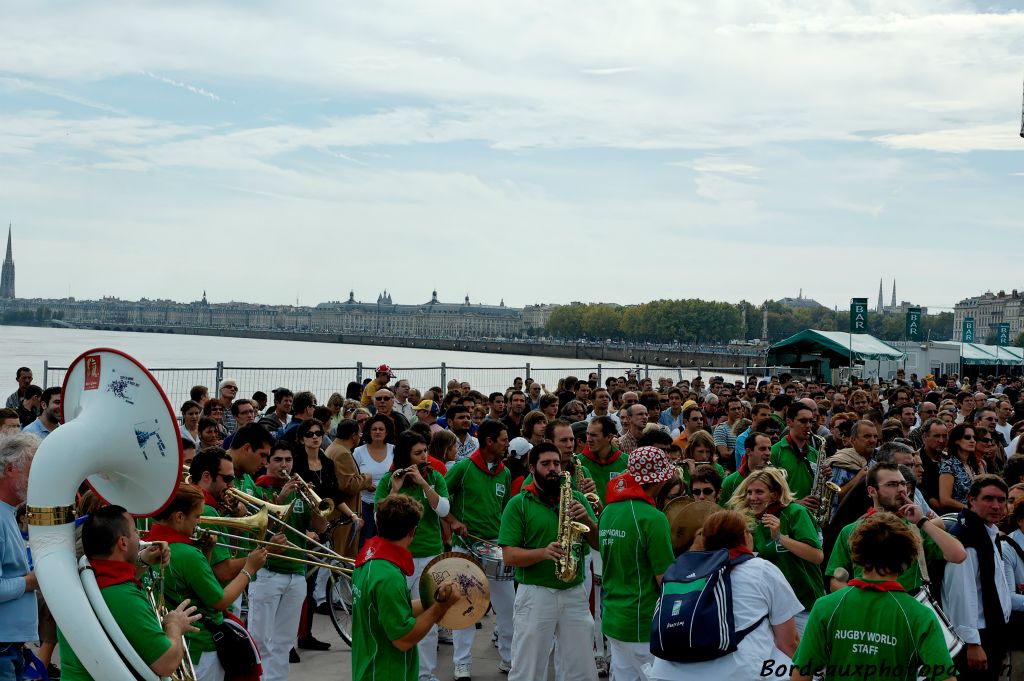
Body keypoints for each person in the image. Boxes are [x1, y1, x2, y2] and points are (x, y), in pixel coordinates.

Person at [790, 512, 957, 681]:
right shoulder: (920, 615)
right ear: (908, 556)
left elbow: (801, 674)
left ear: (856, 551)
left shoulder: (825, 606)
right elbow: (945, 678)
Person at [646, 510, 802, 680]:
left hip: (668, 672)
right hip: (738, 672)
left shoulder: (680, 570)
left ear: (704, 540)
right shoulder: (762, 569)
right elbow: (788, 642)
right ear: (745, 537)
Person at [57, 506, 202, 680]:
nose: (140, 535)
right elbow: (166, 663)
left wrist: (143, 560)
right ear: (123, 543)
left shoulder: (81, 582)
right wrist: (174, 625)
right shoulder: (123, 596)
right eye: (135, 531)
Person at [498, 442, 599, 681]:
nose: (553, 468)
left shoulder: (577, 498)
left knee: (582, 668)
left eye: (556, 463)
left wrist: (588, 520)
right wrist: (542, 553)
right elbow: (509, 555)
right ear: (532, 468)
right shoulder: (519, 504)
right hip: (535, 594)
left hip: (574, 591)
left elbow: (596, 543)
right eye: (545, 464)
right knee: (528, 670)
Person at [146, 483, 267, 681]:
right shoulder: (187, 554)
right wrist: (249, 568)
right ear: (178, 517)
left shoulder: (149, 545)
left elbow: (188, 586)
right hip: (200, 646)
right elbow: (220, 601)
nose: (200, 522)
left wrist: (207, 553)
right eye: (196, 516)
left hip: (169, 642)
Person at [351, 494, 458, 681]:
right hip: (385, 673)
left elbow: (396, 607)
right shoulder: (388, 576)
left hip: (369, 669)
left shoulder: (369, 558)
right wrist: (440, 608)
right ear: (413, 531)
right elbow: (403, 639)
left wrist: (435, 599)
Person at [375, 431, 450, 681]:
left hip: (430, 554)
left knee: (428, 615)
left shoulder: (435, 477)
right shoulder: (388, 480)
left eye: (425, 452)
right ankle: (400, 672)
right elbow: (380, 520)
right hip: (397, 559)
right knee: (400, 617)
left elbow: (443, 509)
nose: (424, 457)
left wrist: (424, 484)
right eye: (418, 453)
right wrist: (394, 490)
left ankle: (425, 674)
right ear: (405, 456)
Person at [444, 419, 514, 678]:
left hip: (495, 549)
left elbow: (506, 511)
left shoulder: (504, 473)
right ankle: (462, 664)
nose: (506, 444)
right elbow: (440, 501)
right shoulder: (463, 468)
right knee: (466, 609)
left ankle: (509, 658)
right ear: (489, 442)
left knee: (508, 609)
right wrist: (453, 522)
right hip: (465, 548)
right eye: (504, 440)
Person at [827, 462, 966, 592]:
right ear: (872, 491)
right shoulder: (851, 531)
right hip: (867, 606)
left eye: (902, 484)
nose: (901, 490)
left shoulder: (916, 528)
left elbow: (958, 555)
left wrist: (922, 521)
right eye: (892, 484)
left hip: (909, 607)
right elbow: (836, 579)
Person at [599, 446, 675, 680]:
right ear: (658, 480)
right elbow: (666, 578)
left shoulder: (608, 511)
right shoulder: (653, 517)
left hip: (613, 616)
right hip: (641, 620)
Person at [728, 467, 824, 633]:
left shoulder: (795, 512)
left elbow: (817, 556)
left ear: (775, 494)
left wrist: (780, 537)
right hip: (769, 607)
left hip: (804, 607)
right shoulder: (751, 520)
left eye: (759, 492)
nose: (752, 498)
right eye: (749, 492)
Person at [943, 475, 1012, 681]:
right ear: (972, 500)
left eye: (1002, 500)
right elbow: (960, 594)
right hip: (977, 639)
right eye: (988, 499)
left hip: (992, 633)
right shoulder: (967, 538)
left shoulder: (986, 532)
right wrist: (972, 643)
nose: (996, 506)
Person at [0, 433, 38, 680]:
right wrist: (29, 582)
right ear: (11, 469)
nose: (37, 479)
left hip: (9, 645)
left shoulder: (8, 512)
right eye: (32, 469)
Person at [324, 418, 370, 560]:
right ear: (354, 436)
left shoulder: (334, 448)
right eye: (359, 434)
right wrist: (367, 478)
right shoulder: (342, 453)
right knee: (341, 559)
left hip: (338, 514)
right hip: (342, 516)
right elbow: (347, 484)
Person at [352, 414, 396, 544]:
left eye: (381, 429)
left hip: (389, 504)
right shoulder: (358, 452)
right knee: (366, 542)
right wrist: (365, 484)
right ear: (368, 432)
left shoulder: (394, 450)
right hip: (365, 505)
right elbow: (353, 477)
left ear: (387, 431)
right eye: (374, 429)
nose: (377, 432)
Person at [580, 415, 626, 507]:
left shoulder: (626, 461)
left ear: (609, 437)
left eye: (593, 435)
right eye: (587, 434)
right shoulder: (577, 462)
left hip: (616, 517)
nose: (588, 439)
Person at [720, 430, 772, 505]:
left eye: (769, 449)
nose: (768, 453)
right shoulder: (730, 482)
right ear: (748, 452)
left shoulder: (775, 479)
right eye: (762, 449)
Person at [938, 423, 982, 512]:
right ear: (956, 440)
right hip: (959, 516)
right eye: (967, 437)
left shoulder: (975, 465)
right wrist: (971, 509)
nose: (972, 440)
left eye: (974, 438)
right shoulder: (949, 465)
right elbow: (945, 500)